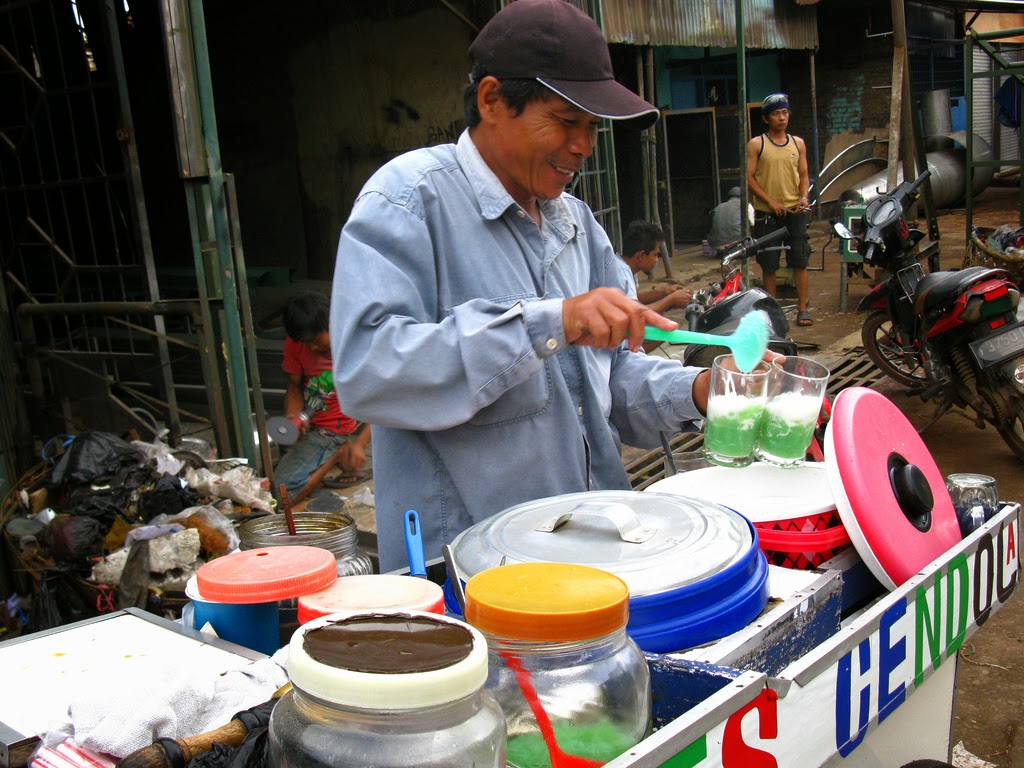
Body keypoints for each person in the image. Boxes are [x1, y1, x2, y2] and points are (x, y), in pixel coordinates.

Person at [329, 0, 777, 572]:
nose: (583, 146)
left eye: (591, 128)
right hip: (472, 578)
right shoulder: (409, 200)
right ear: (492, 100)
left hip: (588, 555)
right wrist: (549, 322)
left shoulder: (576, 226)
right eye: (566, 122)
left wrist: (702, 390)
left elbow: (610, 377)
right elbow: (368, 373)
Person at [275, 291, 371, 499]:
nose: (312, 347)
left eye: (317, 340)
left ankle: (337, 452)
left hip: (332, 428)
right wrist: (294, 417)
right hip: (310, 418)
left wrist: (360, 444)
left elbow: (384, 400)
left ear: (331, 323)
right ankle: (329, 455)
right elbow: (293, 385)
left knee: (284, 492)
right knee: (284, 446)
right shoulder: (297, 342)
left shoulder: (354, 343)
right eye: (306, 342)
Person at [746, 93, 813, 327]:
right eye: (776, 114)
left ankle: (803, 308)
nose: (781, 118)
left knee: (800, 259)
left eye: (784, 113)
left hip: (795, 211)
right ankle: (773, 312)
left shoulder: (798, 143)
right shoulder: (757, 144)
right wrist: (771, 201)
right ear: (766, 119)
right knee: (769, 262)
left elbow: (804, 175)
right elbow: (750, 178)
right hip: (767, 214)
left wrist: (804, 197)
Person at [619, 220, 691, 352]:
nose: (657, 260)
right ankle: (631, 356)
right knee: (667, 330)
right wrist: (670, 300)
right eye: (655, 255)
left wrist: (664, 293)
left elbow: (632, 301)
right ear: (641, 255)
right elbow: (635, 314)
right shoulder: (621, 273)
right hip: (615, 336)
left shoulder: (624, 267)